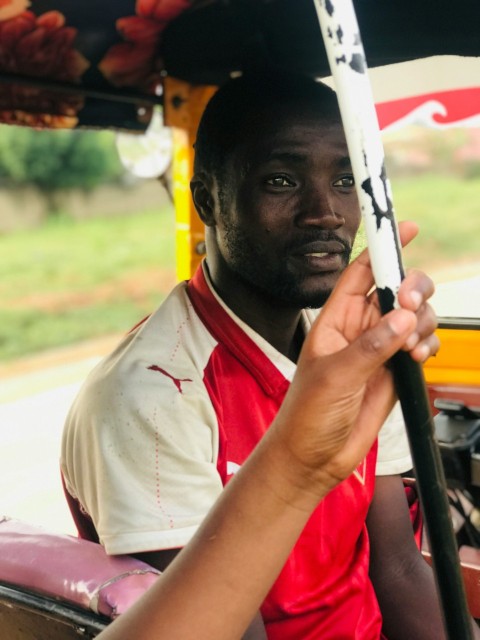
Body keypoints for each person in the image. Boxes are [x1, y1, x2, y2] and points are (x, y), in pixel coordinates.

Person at [61, 70, 450, 639]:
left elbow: (396, 564)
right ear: (208, 201)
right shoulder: (151, 394)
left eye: (346, 179)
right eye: (280, 181)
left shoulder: (353, 348)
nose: (326, 213)